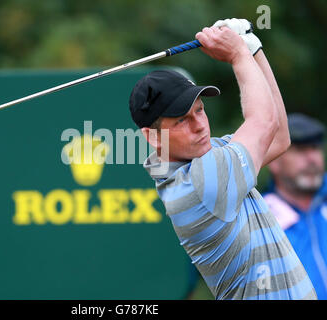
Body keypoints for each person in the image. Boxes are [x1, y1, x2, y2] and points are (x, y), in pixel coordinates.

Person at [128, 18, 317, 300]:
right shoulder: (199, 184)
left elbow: (278, 137)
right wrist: (238, 55)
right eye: (182, 120)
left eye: (200, 110)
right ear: (153, 137)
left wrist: (252, 49)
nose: (200, 125)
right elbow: (263, 123)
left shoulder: (212, 156)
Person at [263, 113, 327, 299]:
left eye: (315, 148)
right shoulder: (260, 220)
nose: (311, 159)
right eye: (300, 150)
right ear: (274, 161)